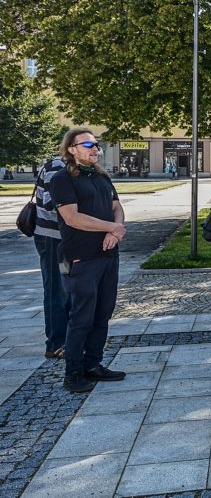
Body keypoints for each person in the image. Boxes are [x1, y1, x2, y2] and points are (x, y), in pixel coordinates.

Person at [50, 129, 127, 393]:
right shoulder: (62, 179)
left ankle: (93, 364)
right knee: (81, 317)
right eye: (87, 144)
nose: (95, 148)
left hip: (108, 255)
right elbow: (72, 217)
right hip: (81, 258)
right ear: (71, 149)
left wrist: (115, 232)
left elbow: (116, 207)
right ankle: (73, 373)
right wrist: (111, 227)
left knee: (103, 314)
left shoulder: (101, 176)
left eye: (96, 144)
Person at [34, 154, 70, 359]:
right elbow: (51, 202)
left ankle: (67, 339)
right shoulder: (57, 166)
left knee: (66, 287)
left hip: (62, 239)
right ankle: (56, 343)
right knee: (57, 289)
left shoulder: (68, 167)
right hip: (52, 239)